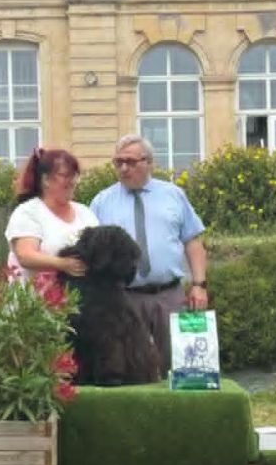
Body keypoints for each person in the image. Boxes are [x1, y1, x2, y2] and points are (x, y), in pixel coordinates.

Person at [89, 134, 208, 374]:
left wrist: (199, 285)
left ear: (149, 163)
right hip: (125, 297)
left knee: (182, 366)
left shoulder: (173, 195)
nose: (123, 168)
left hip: (169, 295)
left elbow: (193, 242)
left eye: (130, 162)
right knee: (130, 365)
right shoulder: (102, 202)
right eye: (118, 162)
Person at [5, 147, 98, 281]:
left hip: (76, 298)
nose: (72, 181)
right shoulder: (27, 213)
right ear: (46, 180)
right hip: (36, 300)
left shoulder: (85, 213)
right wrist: (63, 264)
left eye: (75, 176)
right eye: (66, 176)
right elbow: (25, 256)